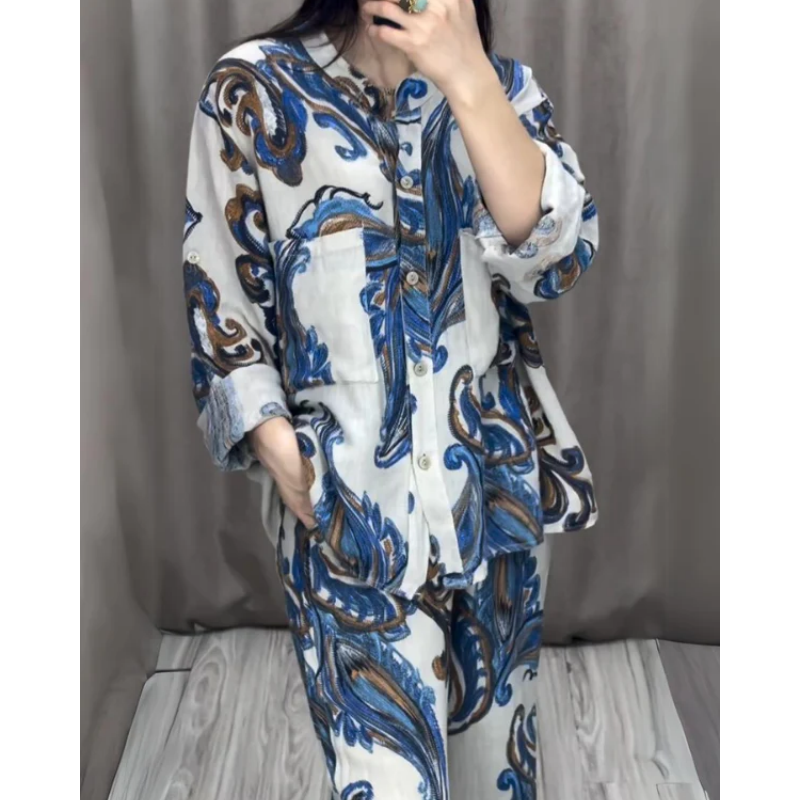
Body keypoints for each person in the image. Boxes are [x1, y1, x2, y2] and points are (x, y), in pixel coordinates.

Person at [183, 0, 598, 797]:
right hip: (348, 523)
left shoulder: (501, 90)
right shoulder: (254, 91)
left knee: (496, 783)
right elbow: (222, 303)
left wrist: (470, 83)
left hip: (495, 509)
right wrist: (286, 457)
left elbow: (556, 262)